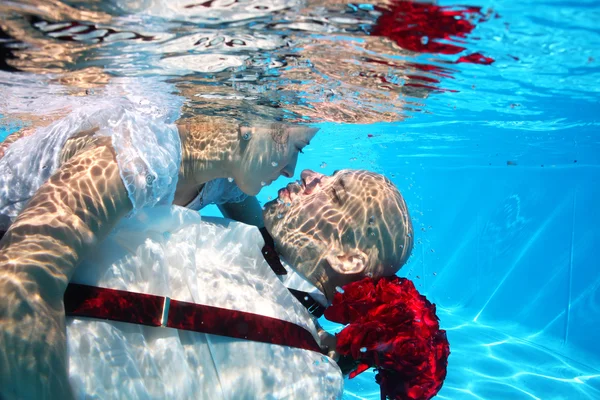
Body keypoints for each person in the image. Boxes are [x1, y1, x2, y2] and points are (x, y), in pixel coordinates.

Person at [0, 168, 413, 399]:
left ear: (346, 258)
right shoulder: (248, 242)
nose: (310, 174)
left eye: (335, 192)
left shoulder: (309, 379)